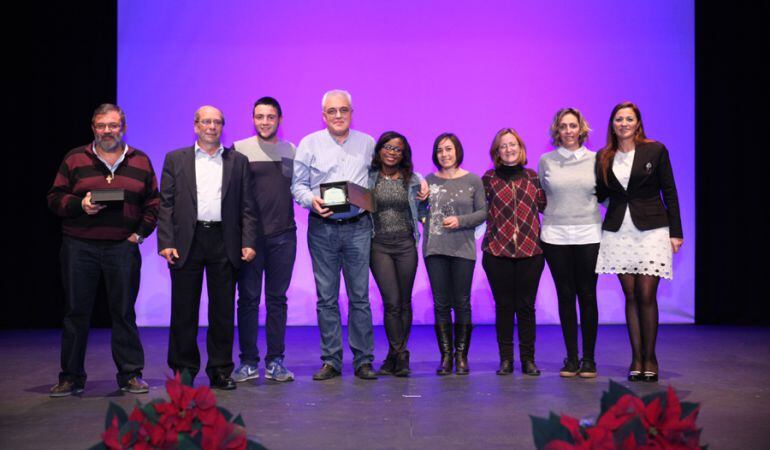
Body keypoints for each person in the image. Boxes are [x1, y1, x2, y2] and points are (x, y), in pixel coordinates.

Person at [47, 103, 159, 397]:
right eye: (101, 126)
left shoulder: (141, 161)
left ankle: (131, 375)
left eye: (113, 125)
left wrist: (140, 233)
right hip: (78, 246)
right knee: (76, 313)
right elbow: (54, 198)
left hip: (122, 247)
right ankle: (71, 377)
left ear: (123, 127)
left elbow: (154, 203)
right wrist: (79, 205)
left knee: (123, 313)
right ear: (93, 128)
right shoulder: (74, 159)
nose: (107, 131)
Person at [157, 105, 258, 390]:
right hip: (187, 241)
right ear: (196, 125)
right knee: (183, 310)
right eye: (206, 121)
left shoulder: (238, 161)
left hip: (224, 241)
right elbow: (166, 203)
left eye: (217, 122)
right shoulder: (176, 159)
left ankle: (220, 370)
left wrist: (248, 241)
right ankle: (183, 371)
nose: (212, 127)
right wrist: (166, 242)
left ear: (222, 126)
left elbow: (248, 206)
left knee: (223, 311)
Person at [291, 90, 380, 381]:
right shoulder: (309, 143)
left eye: (344, 110)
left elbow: (388, 173)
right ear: (324, 115)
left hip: (358, 227)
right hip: (322, 227)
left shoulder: (367, 143)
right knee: (326, 298)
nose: (338, 115)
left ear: (352, 113)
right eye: (332, 111)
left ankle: (363, 360)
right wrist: (310, 201)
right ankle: (331, 360)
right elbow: (298, 185)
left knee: (360, 298)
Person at [594, 101, 683, 383]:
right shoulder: (603, 156)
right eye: (618, 119)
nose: (623, 123)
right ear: (613, 124)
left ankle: (651, 358)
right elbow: (599, 194)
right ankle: (636, 358)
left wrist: (676, 232)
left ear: (637, 123)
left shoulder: (655, 150)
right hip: (618, 231)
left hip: (652, 229)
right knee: (630, 296)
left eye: (628, 119)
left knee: (646, 295)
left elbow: (669, 191)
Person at [232, 97, 296, 383]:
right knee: (247, 300)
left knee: (277, 301)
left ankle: (275, 361)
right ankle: (247, 361)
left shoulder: (292, 150)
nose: (265, 122)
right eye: (260, 116)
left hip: (284, 236)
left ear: (279, 120)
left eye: (271, 117)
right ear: (253, 118)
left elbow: (299, 188)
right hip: (250, 239)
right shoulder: (238, 149)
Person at [538, 108, 601, 378]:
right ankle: (571, 358)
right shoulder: (546, 161)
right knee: (565, 295)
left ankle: (589, 359)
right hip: (555, 236)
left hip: (589, 234)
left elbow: (604, 194)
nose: (568, 131)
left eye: (573, 125)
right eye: (563, 126)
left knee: (587, 295)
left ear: (581, 129)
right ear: (557, 131)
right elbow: (542, 196)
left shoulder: (596, 159)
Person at [481, 128, 546, 376]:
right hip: (497, 253)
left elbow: (546, 207)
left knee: (527, 307)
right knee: (504, 307)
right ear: (497, 152)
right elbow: (479, 211)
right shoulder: (488, 179)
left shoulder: (533, 178)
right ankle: (506, 360)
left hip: (531, 253)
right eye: (503, 146)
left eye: (512, 144)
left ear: (520, 148)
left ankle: (528, 359)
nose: (508, 149)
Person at [423, 133, 487, 376]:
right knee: (441, 304)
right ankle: (446, 356)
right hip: (435, 249)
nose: (444, 154)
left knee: (461, 302)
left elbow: (483, 212)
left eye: (448, 149)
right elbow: (418, 208)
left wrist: (460, 221)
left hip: (463, 249)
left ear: (457, 151)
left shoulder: (473, 180)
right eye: (440, 150)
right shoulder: (428, 180)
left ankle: (461, 355)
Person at [367, 131, 425, 377]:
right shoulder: (368, 178)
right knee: (391, 302)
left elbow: (423, 206)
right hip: (379, 245)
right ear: (379, 150)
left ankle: (395, 355)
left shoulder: (413, 179)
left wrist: (426, 194)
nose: (392, 152)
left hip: (405, 244)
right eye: (388, 147)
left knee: (404, 301)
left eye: (398, 149)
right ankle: (401, 355)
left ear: (404, 154)